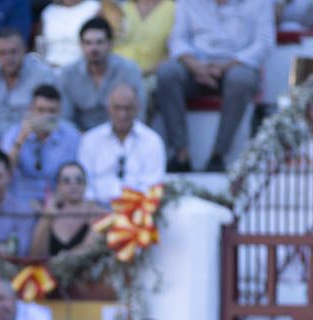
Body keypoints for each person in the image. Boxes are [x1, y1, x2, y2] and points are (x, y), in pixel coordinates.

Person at [154, 0, 273, 173]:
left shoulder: (259, 3)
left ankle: (219, 155)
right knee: (167, 73)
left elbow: (264, 44)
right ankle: (181, 154)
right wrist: (195, 66)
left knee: (240, 80)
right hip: (195, 66)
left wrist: (225, 66)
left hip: (237, 64)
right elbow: (177, 39)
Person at [77, 84, 165, 204]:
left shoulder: (152, 141)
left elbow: (153, 185)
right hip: (96, 211)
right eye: (117, 108)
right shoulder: (90, 140)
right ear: (108, 107)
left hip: (139, 212)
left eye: (128, 108)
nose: (122, 114)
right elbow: (85, 183)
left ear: (137, 108)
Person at [58, 16, 145, 132]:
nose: (94, 48)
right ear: (81, 46)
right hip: (81, 138)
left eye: (99, 42)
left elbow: (138, 114)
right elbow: (65, 119)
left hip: (121, 135)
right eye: (88, 43)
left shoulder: (129, 70)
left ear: (110, 44)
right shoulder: (68, 75)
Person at [0, 27, 57, 141]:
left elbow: (52, 120)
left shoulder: (43, 75)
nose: (8, 58)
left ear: (24, 50)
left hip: (32, 142)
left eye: (13, 52)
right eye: (2, 53)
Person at [1, 84, 81, 205]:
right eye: (41, 110)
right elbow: (5, 173)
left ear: (59, 112)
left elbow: (76, 177)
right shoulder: (13, 134)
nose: (46, 116)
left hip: (58, 203)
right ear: (30, 110)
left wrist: (54, 202)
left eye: (52, 111)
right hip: (20, 202)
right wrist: (20, 140)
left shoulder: (71, 137)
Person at [28, 161, 104, 257]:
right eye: (66, 181)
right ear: (58, 186)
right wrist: (46, 218)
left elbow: (89, 251)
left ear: (85, 184)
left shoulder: (97, 212)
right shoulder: (49, 211)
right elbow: (35, 254)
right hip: (49, 271)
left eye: (79, 180)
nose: (73, 185)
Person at [112, 0, 176, 77]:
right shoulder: (118, 5)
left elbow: (176, 50)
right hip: (114, 73)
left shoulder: (173, 9)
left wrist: (149, 71)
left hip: (153, 75)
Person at [39, 0, 100, 69]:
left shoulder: (94, 7)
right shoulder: (48, 12)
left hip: (83, 70)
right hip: (50, 70)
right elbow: (39, 45)